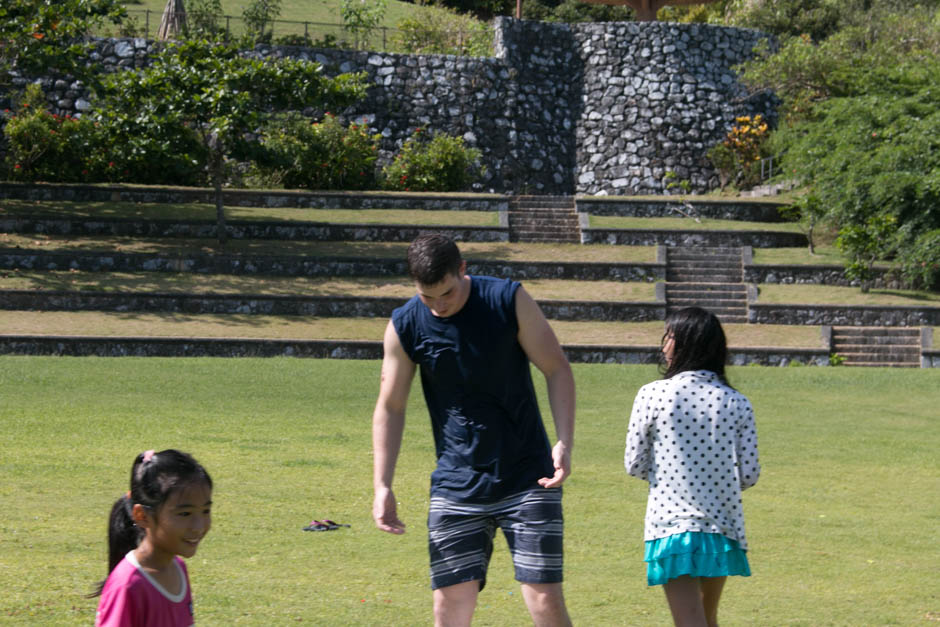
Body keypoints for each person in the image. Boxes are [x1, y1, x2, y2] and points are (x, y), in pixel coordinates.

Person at [372, 234, 576, 627]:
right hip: (456, 483)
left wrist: (564, 439)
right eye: (427, 297)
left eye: (446, 293)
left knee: (545, 602)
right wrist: (383, 484)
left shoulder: (507, 300)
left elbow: (556, 368)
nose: (439, 305)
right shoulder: (406, 324)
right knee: (448, 609)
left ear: (462, 269)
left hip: (529, 477)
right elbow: (391, 406)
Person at [624, 307, 760, 627]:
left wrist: (669, 475)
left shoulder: (652, 395)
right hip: (722, 531)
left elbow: (634, 463)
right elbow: (749, 473)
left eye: (669, 337)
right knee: (706, 619)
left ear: (685, 344)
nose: (664, 345)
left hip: (672, 528)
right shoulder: (736, 402)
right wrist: (715, 478)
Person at [92, 449, 213, 627]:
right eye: (185, 513)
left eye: (205, 511)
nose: (198, 526)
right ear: (142, 516)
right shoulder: (128, 585)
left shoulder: (178, 568)